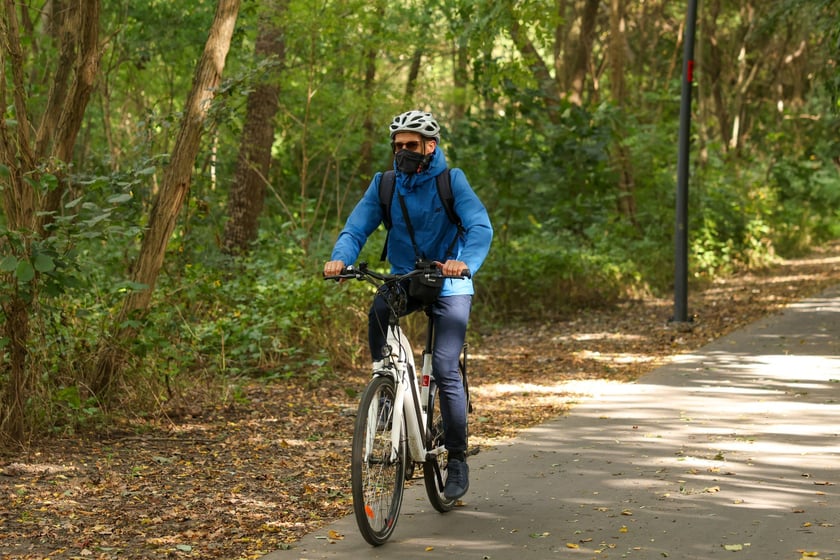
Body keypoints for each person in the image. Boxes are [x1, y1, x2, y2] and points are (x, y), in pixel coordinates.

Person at [324, 110, 493, 500]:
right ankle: (385, 387)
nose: (403, 152)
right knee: (379, 312)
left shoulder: (452, 180)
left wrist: (464, 262)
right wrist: (340, 258)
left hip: (449, 282)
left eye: (411, 145)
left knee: (446, 367)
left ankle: (457, 458)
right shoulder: (384, 184)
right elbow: (356, 227)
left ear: (429, 146)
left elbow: (479, 226)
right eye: (398, 145)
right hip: (405, 278)